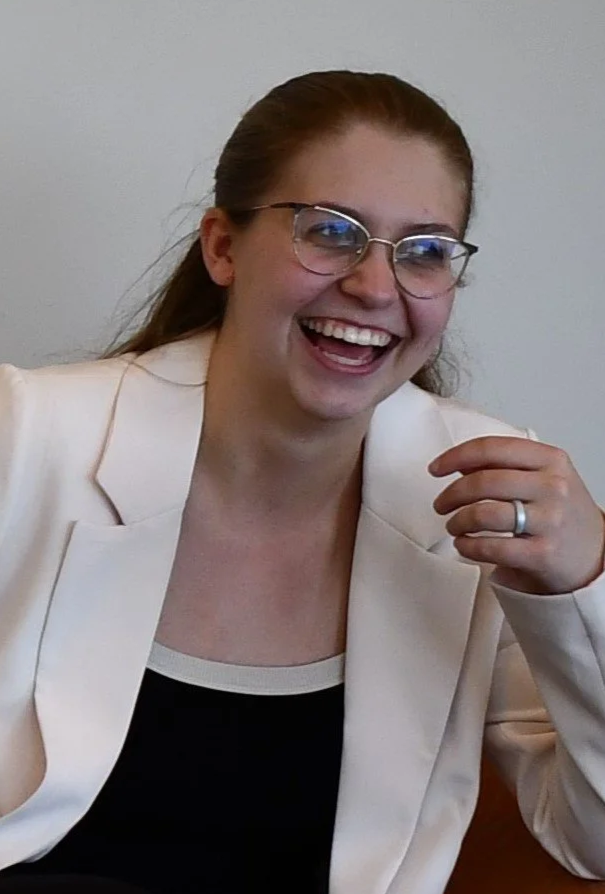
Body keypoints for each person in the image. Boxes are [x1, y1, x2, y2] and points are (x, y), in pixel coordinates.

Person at [0, 69, 603, 894]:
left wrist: (583, 586)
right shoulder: (27, 435)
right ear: (222, 246)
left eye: (424, 251)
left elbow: (591, 844)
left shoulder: (486, 498)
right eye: (330, 231)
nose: (374, 285)